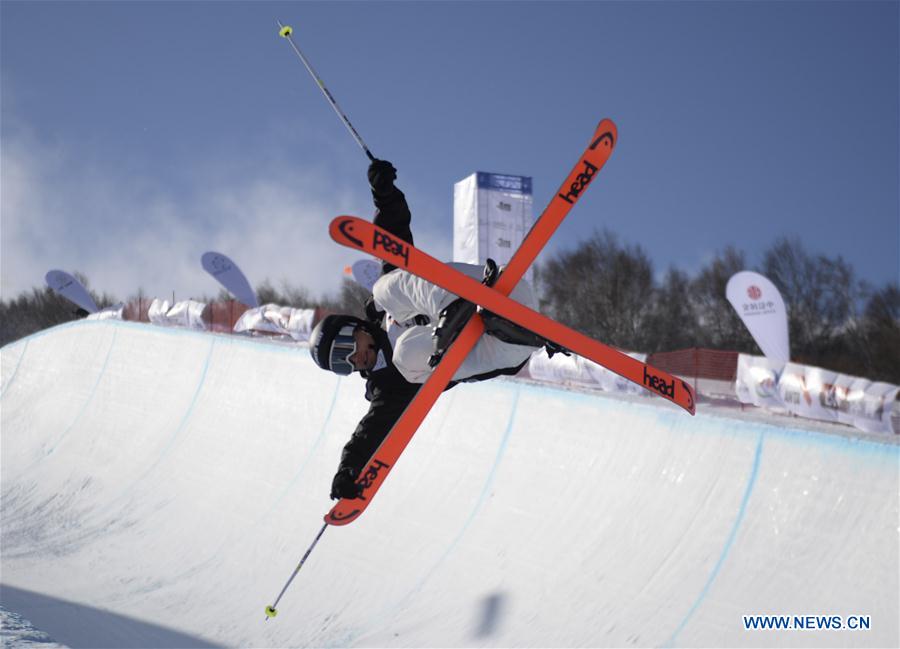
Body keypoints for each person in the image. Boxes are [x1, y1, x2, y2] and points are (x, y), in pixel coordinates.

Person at [310, 159, 555, 500]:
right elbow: (372, 430)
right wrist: (349, 468)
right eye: (342, 364)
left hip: (502, 291)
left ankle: (457, 306)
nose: (354, 359)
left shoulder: (385, 308)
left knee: (385, 286)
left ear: (355, 326)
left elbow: (394, 240)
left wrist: (384, 193)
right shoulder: (388, 387)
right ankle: (483, 327)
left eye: (345, 347)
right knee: (406, 354)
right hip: (503, 347)